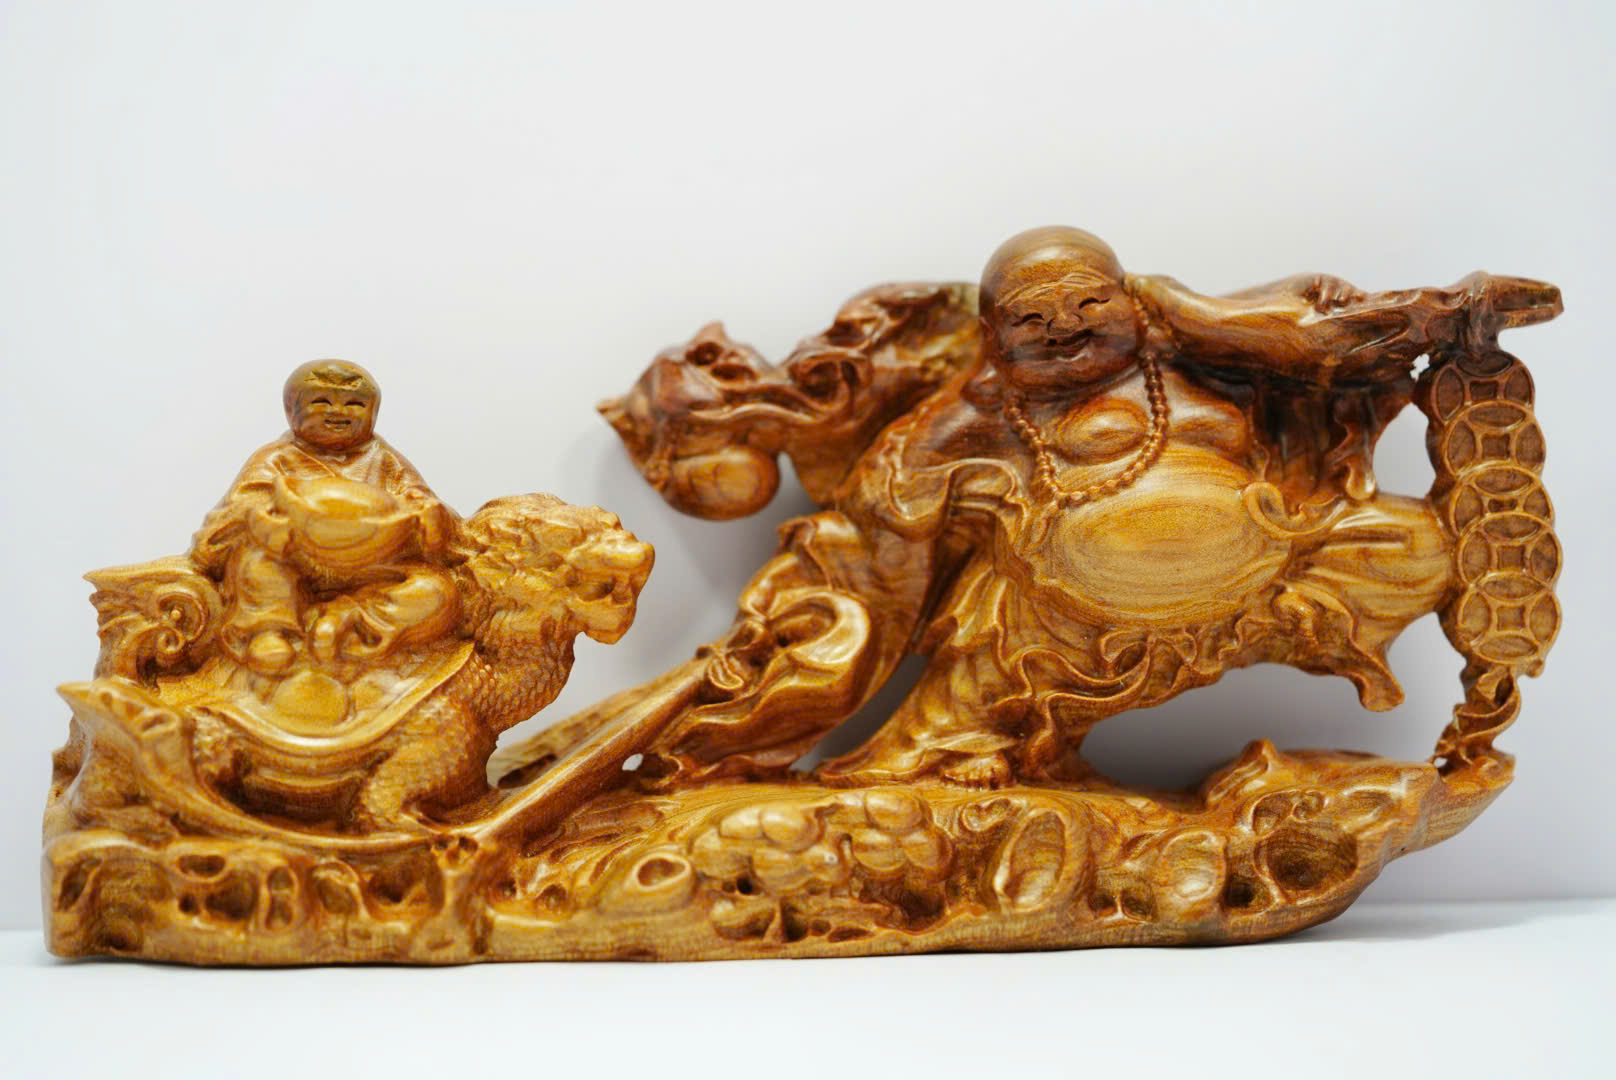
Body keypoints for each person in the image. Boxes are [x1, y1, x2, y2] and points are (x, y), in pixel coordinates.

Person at [191, 361, 461, 676]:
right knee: (256, 562)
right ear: (291, 410)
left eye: (354, 404)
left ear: (374, 412)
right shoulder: (276, 459)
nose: (338, 412)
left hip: (371, 565)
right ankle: (268, 630)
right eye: (322, 401)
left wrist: (431, 519)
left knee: (438, 591)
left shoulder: (384, 460)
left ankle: (350, 620)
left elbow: (425, 504)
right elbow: (234, 512)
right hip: (298, 560)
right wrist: (258, 518)